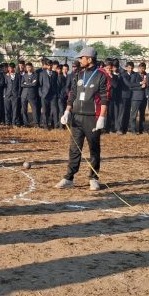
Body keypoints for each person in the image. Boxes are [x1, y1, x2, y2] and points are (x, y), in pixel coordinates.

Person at [55, 46, 108, 191]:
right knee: (74, 148)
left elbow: (105, 98)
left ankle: (93, 177)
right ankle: (69, 178)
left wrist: (101, 117)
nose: (79, 60)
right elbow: (72, 94)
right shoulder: (78, 74)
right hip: (77, 117)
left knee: (94, 149)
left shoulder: (101, 75)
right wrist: (67, 112)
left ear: (89, 59)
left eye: (81, 58)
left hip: (93, 118)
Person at [128, 62, 147, 134]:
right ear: (138, 68)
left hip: (144, 98)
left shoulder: (147, 75)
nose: (141, 69)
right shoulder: (134, 75)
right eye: (140, 68)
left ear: (145, 68)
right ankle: (133, 129)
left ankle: (141, 129)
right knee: (134, 114)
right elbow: (131, 86)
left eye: (143, 68)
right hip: (136, 97)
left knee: (142, 114)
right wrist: (140, 85)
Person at [20, 63, 39, 127]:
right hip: (24, 95)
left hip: (32, 94)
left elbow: (35, 84)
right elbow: (22, 84)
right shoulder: (24, 75)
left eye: (30, 67)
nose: (28, 68)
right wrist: (30, 83)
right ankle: (26, 123)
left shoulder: (35, 75)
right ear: (26, 68)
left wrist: (26, 84)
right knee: (24, 110)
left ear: (32, 67)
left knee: (34, 109)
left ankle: (36, 123)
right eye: (27, 67)